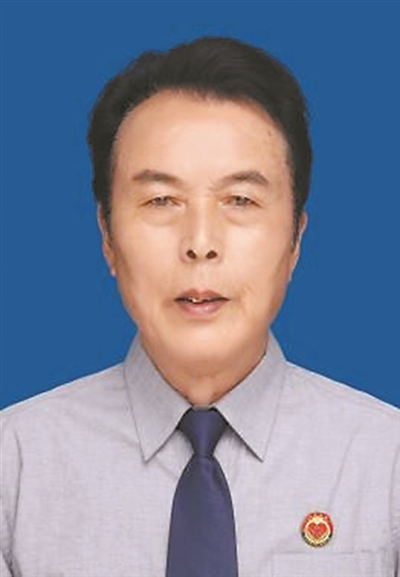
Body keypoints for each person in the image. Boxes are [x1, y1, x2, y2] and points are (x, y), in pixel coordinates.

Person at [1, 36, 399, 576]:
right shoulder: (14, 468)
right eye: (162, 200)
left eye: (240, 200)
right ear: (107, 236)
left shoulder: (385, 464)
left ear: (295, 239)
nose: (201, 243)